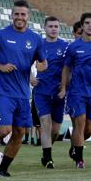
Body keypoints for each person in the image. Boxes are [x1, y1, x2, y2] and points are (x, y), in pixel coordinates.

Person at [0, 0, 47, 178]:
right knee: (4, 130)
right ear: (11, 15)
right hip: (4, 91)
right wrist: (0, 67)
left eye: (23, 14)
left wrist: (42, 66)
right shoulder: (1, 35)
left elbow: (42, 61)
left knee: (19, 133)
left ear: (28, 17)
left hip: (23, 93)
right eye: (16, 14)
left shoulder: (35, 38)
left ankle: (2, 170)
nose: (19, 17)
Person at [59, 12, 91, 169]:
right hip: (77, 92)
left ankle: (74, 147)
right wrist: (63, 87)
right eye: (87, 23)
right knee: (79, 126)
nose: (89, 25)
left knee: (88, 130)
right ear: (82, 26)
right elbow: (66, 68)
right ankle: (79, 160)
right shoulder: (74, 47)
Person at [30, 16, 68, 168]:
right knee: (45, 123)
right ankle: (48, 159)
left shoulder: (65, 46)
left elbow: (69, 68)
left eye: (56, 26)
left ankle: (46, 151)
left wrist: (65, 86)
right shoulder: (39, 45)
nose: (53, 29)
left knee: (56, 130)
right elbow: (25, 62)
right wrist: (31, 77)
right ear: (44, 28)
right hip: (42, 91)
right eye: (50, 26)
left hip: (58, 92)